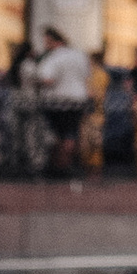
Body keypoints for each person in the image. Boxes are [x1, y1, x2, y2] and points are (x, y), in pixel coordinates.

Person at [33, 24, 92, 173]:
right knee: (71, 134)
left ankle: (60, 166)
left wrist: (34, 81)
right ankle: (69, 164)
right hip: (78, 99)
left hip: (58, 100)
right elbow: (87, 77)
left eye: (46, 42)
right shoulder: (79, 55)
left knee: (58, 135)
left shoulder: (54, 57)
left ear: (53, 41)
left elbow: (48, 79)